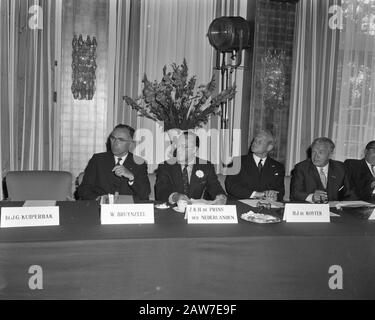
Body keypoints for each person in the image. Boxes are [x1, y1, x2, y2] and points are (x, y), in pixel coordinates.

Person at [77, 124, 150, 201]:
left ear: (131, 144)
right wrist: (99, 199)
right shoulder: (98, 160)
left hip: (127, 209)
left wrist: (131, 177)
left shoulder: (139, 163)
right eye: (113, 138)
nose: (115, 142)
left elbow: (144, 194)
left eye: (120, 140)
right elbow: (83, 189)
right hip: (101, 207)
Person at [155, 131, 227, 204]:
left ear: (194, 149)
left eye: (184, 147)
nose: (179, 150)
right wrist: (176, 197)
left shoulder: (206, 166)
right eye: (178, 146)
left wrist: (221, 198)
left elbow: (216, 188)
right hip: (173, 210)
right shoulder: (165, 166)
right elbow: (161, 192)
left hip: (198, 212)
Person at [225, 130, 285, 201]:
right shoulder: (237, 161)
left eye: (259, 142)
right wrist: (257, 194)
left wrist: (274, 196)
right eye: (254, 140)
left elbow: (280, 192)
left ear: (269, 147)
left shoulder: (278, 167)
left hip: (267, 206)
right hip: (240, 204)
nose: (254, 143)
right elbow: (231, 186)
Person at [290, 137, 356, 202]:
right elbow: (295, 193)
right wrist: (312, 197)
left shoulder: (341, 168)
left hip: (335, 209)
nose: (316, 156)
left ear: (330, 154)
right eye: (313, 152)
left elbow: (351, 194)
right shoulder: (301, 168)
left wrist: (341, 204)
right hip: (311, 209)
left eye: (320, 152)